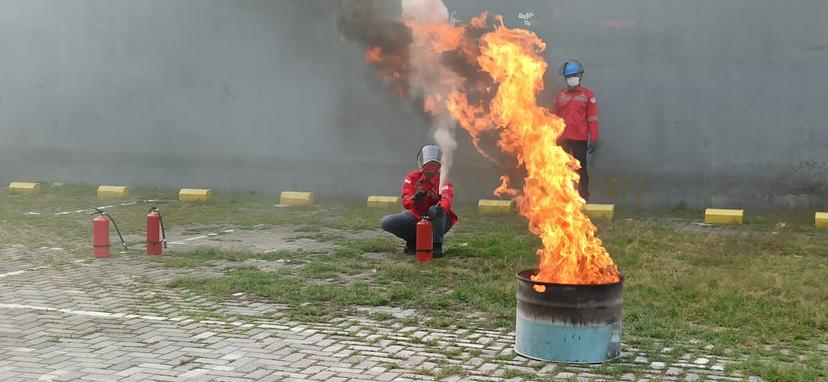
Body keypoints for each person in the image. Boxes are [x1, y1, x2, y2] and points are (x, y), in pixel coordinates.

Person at [380, 144, 458, 258]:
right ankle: (414, 241)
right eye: (428, 166)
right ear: (422, 164)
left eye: (434, 166)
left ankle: (437, 245)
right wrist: (415, 200)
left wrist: (439, 207)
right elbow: (406, 200)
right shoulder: (412, 177)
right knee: (387, 222)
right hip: (416, 215)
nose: (431, 170)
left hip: (439, 219)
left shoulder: (444, 181)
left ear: (439, 166)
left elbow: (446, 199)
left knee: (434, 210)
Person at [552, 60, 599, 201]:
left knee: (581, 169)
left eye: (574, 76)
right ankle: (562, 199)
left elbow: (592, 118)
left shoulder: (588, 95)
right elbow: (554, 117)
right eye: (569, 77)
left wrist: (594, 138)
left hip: (580, 139)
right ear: (566, 79)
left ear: (580, 77)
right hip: (563, 138)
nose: (572, 79)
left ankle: (583, 197)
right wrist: (552, 136)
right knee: (561, 168)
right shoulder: (560, 95)